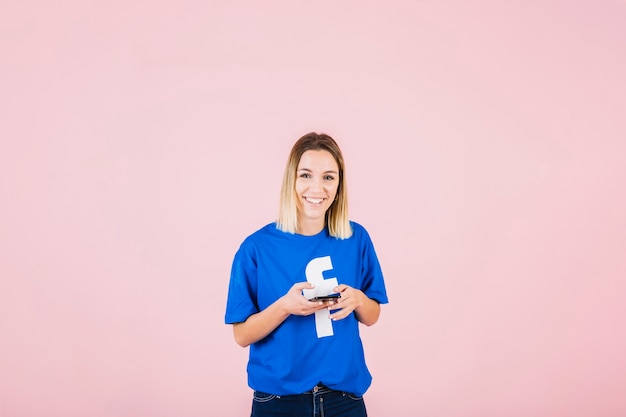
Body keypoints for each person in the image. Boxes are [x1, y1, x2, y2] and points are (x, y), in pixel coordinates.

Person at [224, 132, 389, 417]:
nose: (317, 188)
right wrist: (284, 307)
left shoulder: (356, 238)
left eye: (328, 177)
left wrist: (358, 300)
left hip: (344, 400)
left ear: (339, 184)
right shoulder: (256, 248)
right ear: (292, 180)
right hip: (278, 402)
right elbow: (241, 334)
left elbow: (372, 315)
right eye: (306, 175)